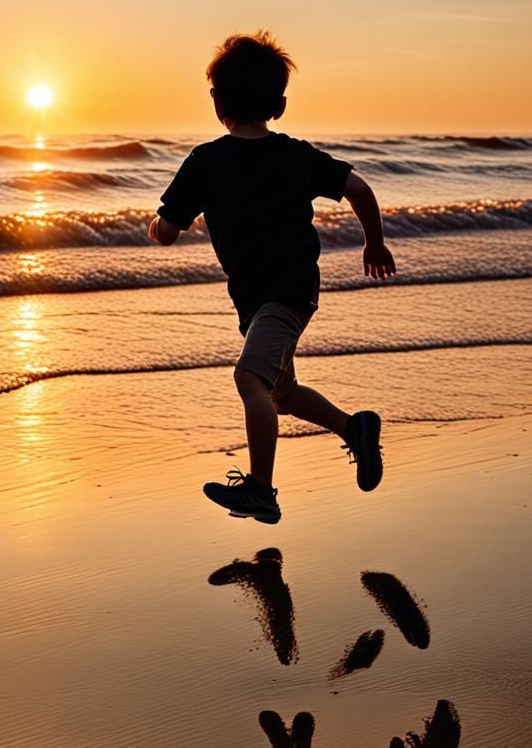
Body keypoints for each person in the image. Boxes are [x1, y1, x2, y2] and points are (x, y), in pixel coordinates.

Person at [148, 31, 396, 524]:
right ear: (279, 104)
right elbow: (359, 189)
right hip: (289, 290)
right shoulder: (295, 155)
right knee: (280, 395)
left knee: (248, 378)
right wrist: (374, 242)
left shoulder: (205, 161)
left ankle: (261, 489)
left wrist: (156, 225)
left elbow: (169, 233)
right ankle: (355, 429)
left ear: (217, 100)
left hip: (278, 296)